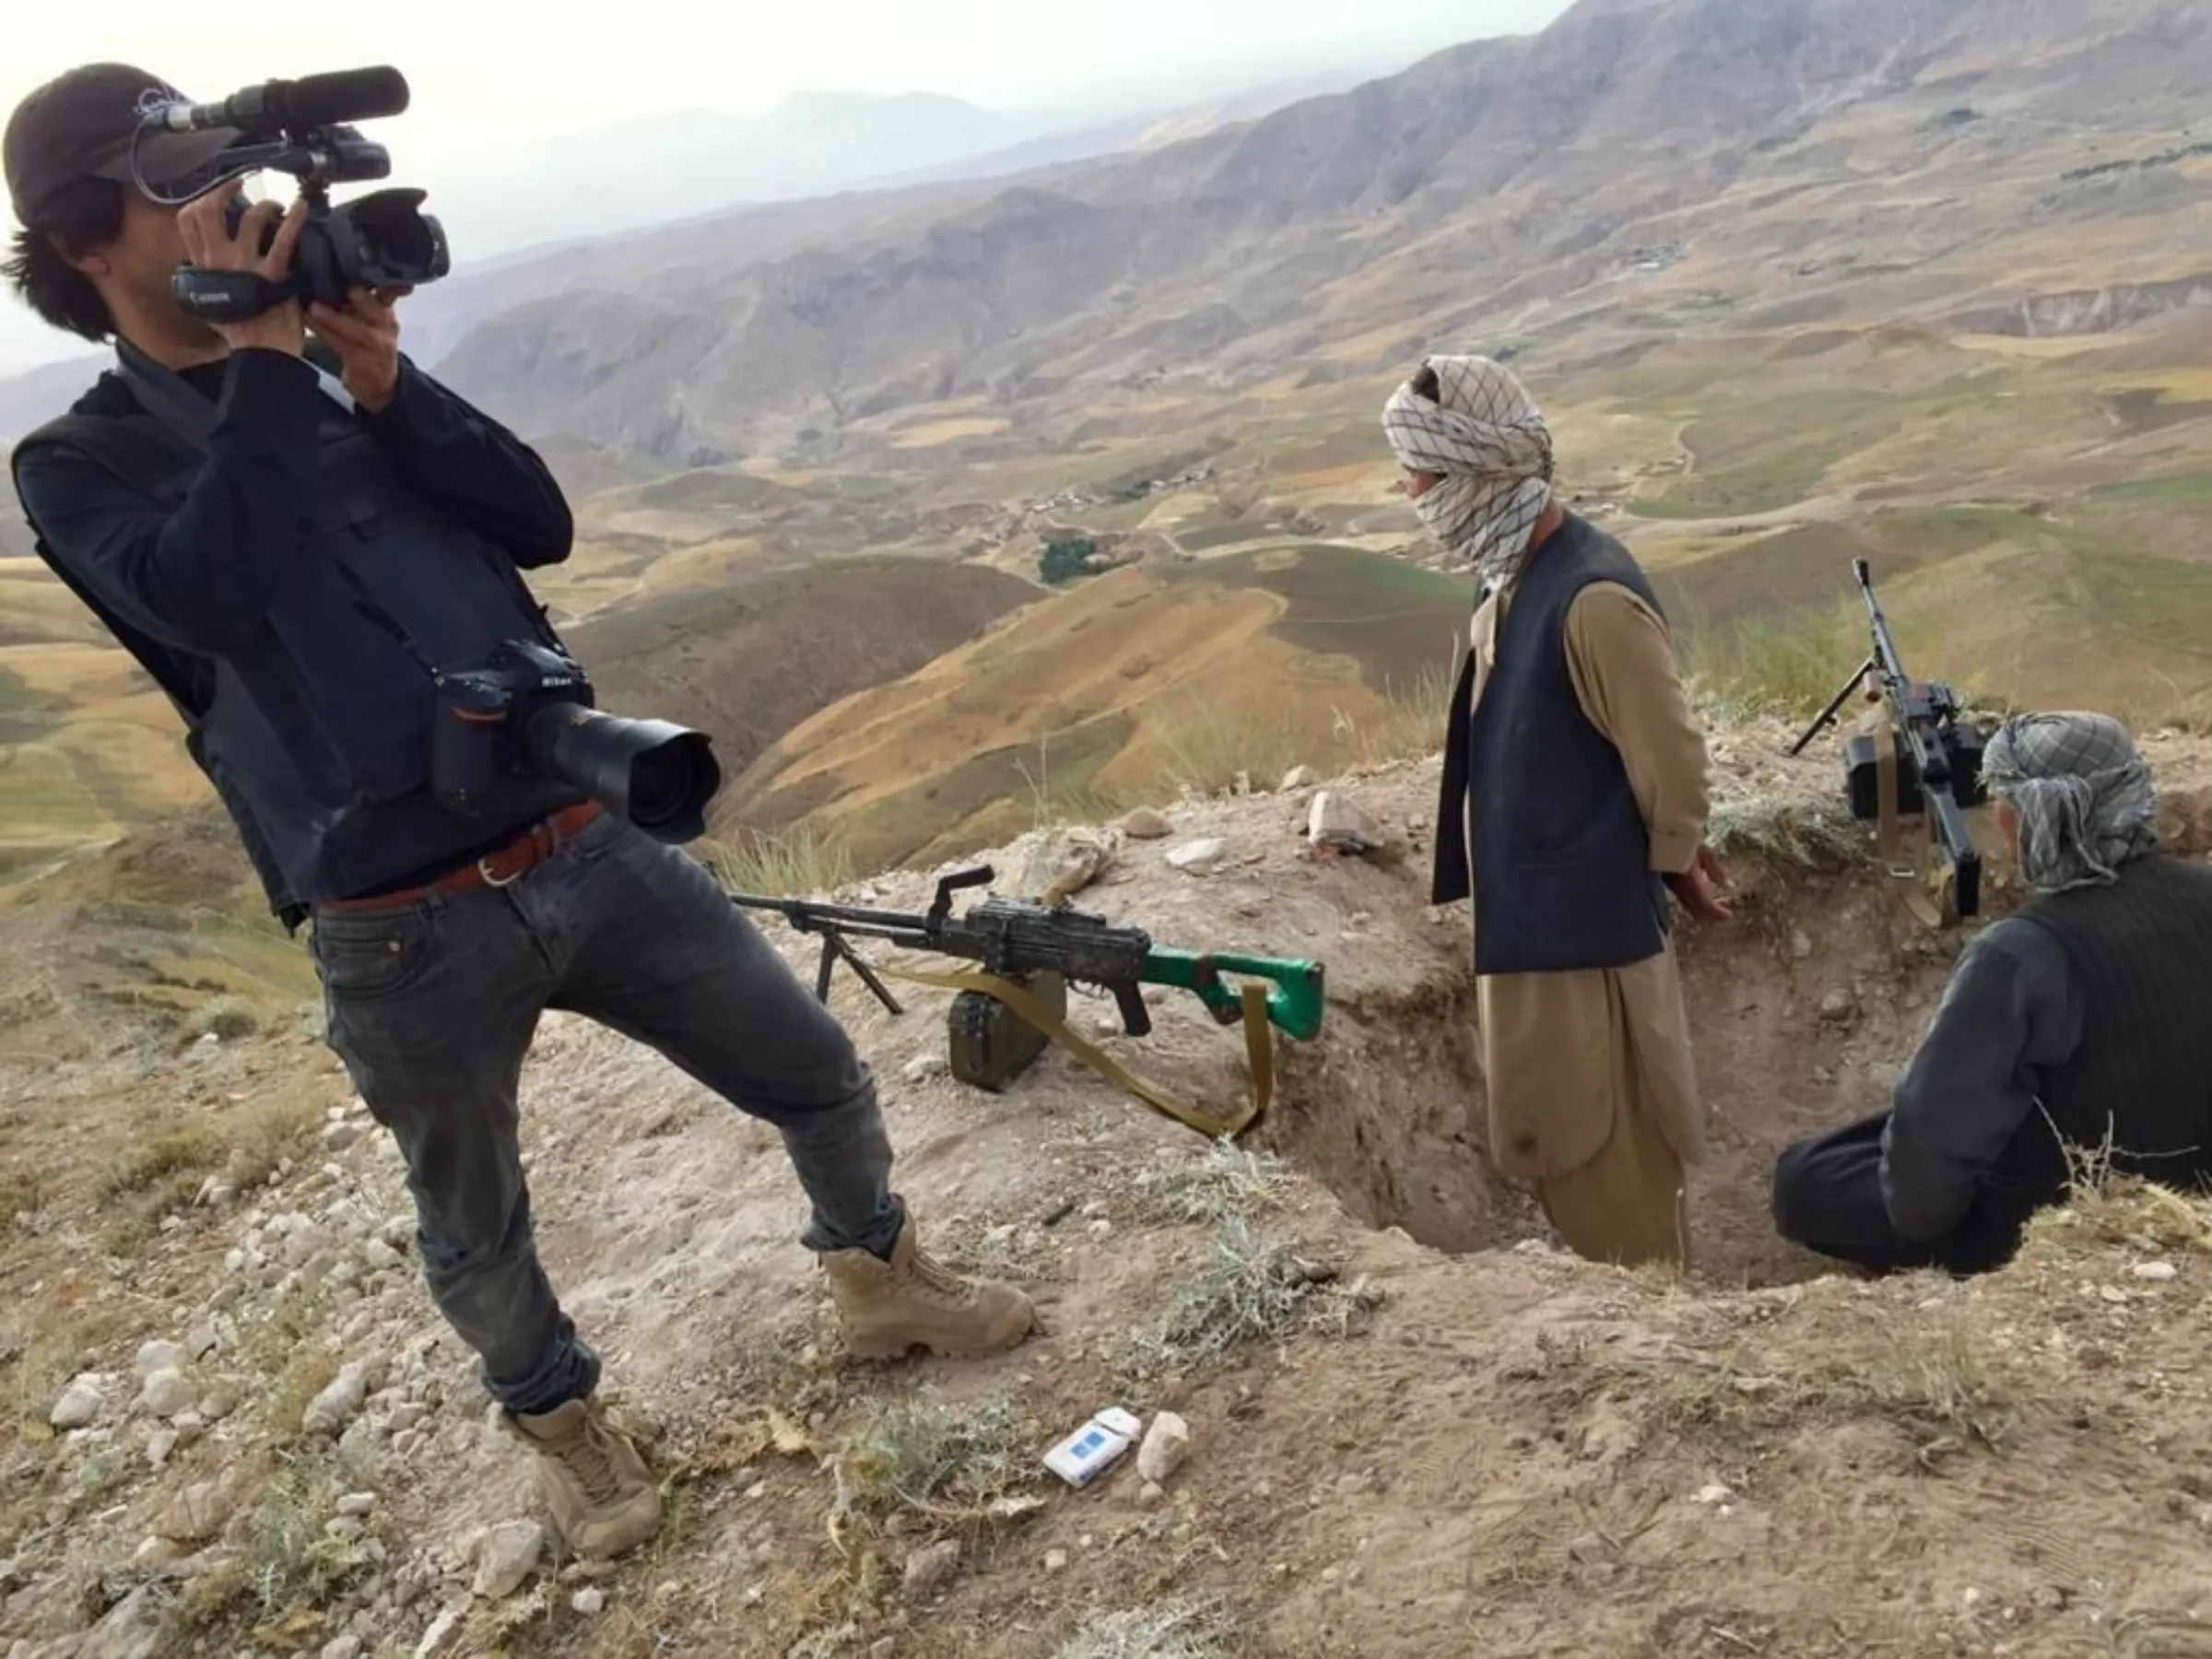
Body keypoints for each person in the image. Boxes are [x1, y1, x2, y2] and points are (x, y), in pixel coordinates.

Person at [4, 64, 1035, 1560]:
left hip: (577, 824)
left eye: (232, 179)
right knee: (476, 1219)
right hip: (396, 920)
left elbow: (534, 519)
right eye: (180, 187)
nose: (229, 209)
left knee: (812, 1065)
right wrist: (274, 377)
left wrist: (381, 380)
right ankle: (564, 1430)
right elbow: (207, 594)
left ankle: (883, 1280)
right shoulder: (76, 462)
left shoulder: (317, 377)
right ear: (89, 240)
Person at [1381, 354, 1731, 1271]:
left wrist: (1677, 859)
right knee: (1558, 1139)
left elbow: (1670, 756)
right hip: (1534, 925)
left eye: (1421, 473)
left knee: (1611, 1146)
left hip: (1589, 946)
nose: (1410, 491)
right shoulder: (1511, 578)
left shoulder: (1594, 598)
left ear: (1478, 473)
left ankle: (1655, 1332)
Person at [1772, 711, 2212, 1276]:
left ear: (2013, 820)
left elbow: (1922, 1187)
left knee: (1807, 1177)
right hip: (2195, 1191)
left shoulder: (2021, 954)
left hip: (2061, 1216)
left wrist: (1931, 1218)